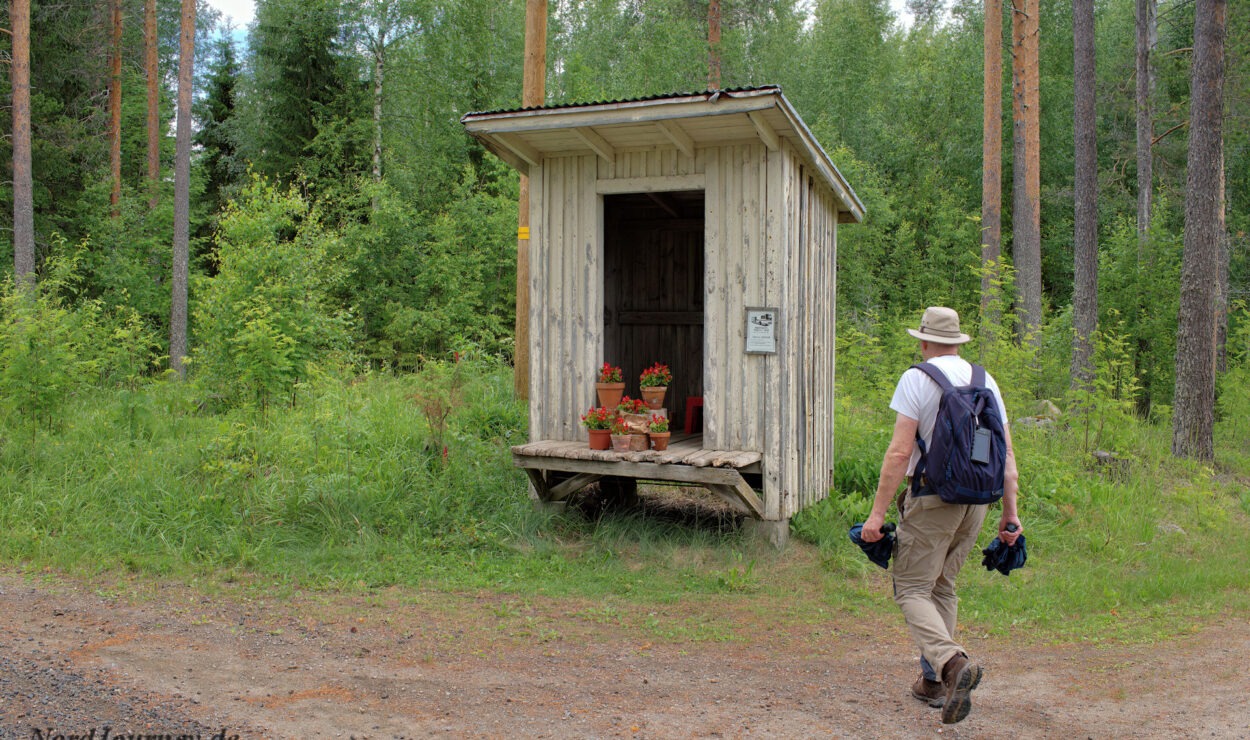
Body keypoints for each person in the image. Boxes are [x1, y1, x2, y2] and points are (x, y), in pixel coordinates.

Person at [861, 306, 1022, 725]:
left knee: (912, 588)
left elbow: (899, 453)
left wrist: (876, 517)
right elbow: (1007, 460)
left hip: (932, 499)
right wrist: (1010, 516)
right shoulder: (986, 383)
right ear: (958, 342)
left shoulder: (917, 378)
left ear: (924, 341)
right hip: (976, 503)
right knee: (943, 587)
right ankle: (934, 683)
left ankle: (952, 664)